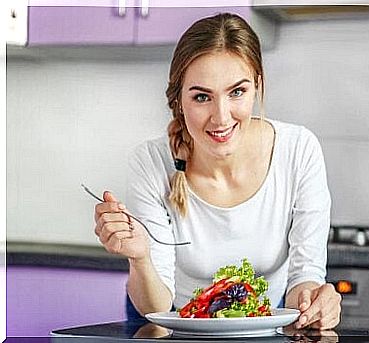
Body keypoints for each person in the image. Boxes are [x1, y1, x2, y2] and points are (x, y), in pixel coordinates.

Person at [94, 12, 341, 331]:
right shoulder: (151, 162)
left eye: (237, 92)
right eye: (201, 97)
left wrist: (313, 304)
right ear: (179, 100)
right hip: (176, 325)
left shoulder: (298, 150)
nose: (221, 117)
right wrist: (140, 258)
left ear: (257, 86)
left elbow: (304, 276)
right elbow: (156, 306)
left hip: (263, 325)